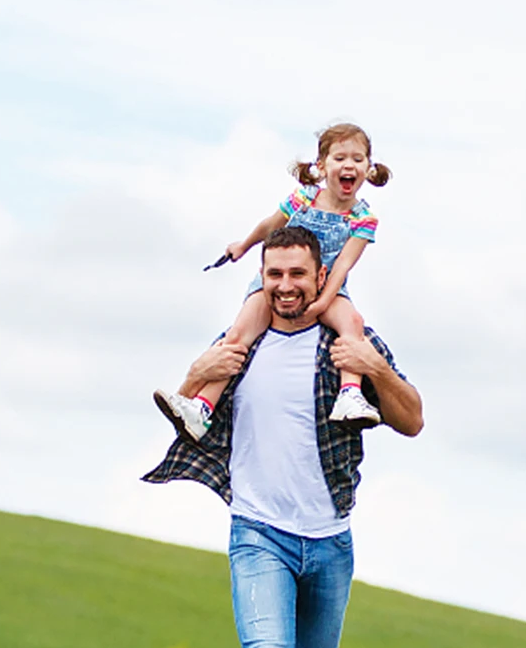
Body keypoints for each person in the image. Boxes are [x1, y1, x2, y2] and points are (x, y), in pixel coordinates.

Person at [142, 222, 423, 648]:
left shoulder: (347, 340)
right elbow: (188, 407)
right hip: (258, 536)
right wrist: (193, 371)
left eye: (299, 275)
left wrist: (374, 368)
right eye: (275, 275)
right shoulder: (240, 342)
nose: (286, 287)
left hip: (329, 544)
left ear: (320, 276)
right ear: (261, 278)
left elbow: (412, 419)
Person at [156, 122, 390, 444]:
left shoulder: (363, 218)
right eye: (339, 158)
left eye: (357, 159)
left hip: (328, 284)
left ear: (368, 167)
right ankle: (202, 407)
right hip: (280, 279)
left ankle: (350, 395)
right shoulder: (304, 198)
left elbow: (344, 265)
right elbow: (270, 225)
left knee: (353, 324)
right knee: (239, 335)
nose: (349, 165)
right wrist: (244, 245)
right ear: (321, 167)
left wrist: (322, 303)